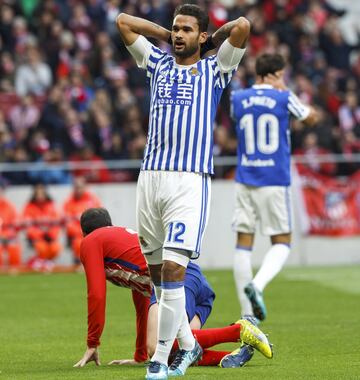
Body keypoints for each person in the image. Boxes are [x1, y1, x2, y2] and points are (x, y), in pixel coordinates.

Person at [116, 4, 272, 379]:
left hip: (189, 180)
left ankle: (159, 362)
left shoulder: (214, 70)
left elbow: (243, 26)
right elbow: (123, 22)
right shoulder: (156, 63)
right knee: (158, 279)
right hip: (150, 178)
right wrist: (164, 34)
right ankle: (189, 347)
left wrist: (210, 41)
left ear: (201, 35)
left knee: (174, 269)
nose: (178, 35)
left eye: (187, 29)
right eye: (175, 29)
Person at [74, 208, 272, 370]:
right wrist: (139, 355)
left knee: (158, 347)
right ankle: (231, 356)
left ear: (84, 233)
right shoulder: (120, 239)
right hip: (195, 284)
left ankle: (239, 330)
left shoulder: (91, 241)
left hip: (177, 279)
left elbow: (97, 295)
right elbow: (141, 300)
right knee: (176, 349)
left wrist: (93, 343)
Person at [231, 53, 318, 323]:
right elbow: (311, 118)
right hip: (274, 179)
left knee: (243, 244)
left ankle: (246, 314)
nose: (283, 80)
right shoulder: (283, 97)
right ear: (271, 75)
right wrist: (286, 91)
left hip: (246, 178)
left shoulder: (238, 98)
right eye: (281, 75)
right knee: (282, 242)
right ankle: (257, 285)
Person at [63, 176, 101, 264]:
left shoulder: (93, 199)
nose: (78, 189)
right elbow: (67, 220)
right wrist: (80, 231)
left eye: (80, 187)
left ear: (85, 187)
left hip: (91, 233)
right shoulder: (69, 202)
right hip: (77, 234)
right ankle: (79, 263)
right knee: (78, 242)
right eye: (76, 187)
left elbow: (99, 217)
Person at [22, 183, 62, 269]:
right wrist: (40, 234)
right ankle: (43, 263)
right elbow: (28, 226)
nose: (40, 196)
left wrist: (51, 235)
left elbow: (57, 224)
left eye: (41, 193)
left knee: (56, 248)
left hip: (50, 238)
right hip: (37, 239)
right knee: (42, 248)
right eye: (38, 194)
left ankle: (43, 263)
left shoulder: (52, 206)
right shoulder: (29, 207)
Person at [0, 183, 21, 269]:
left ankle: (14, 271)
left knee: (14, 247)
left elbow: (16, 223)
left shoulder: (10, 206)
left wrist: (8, 235)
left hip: (9, 236)